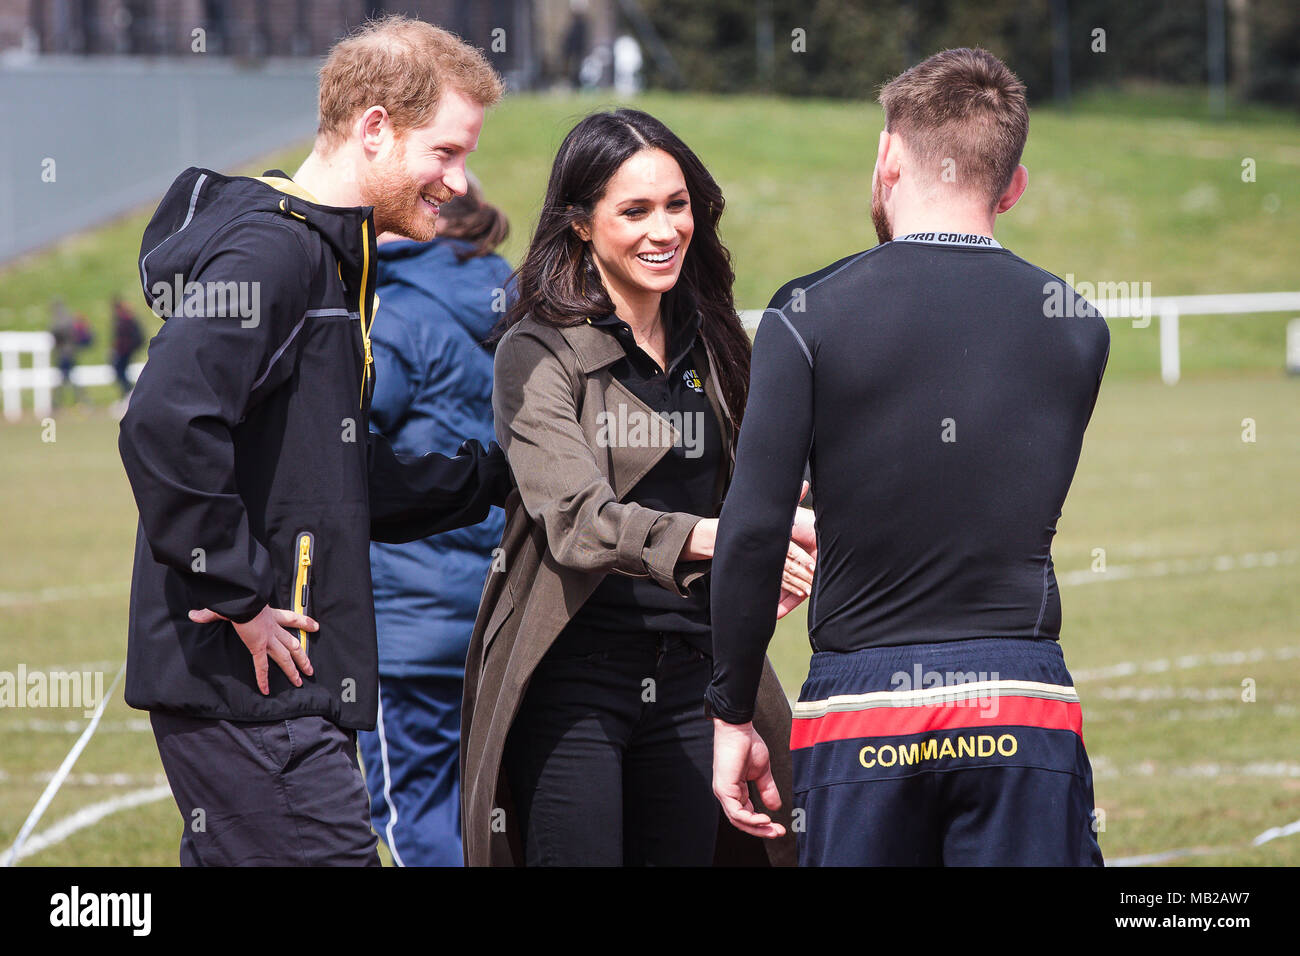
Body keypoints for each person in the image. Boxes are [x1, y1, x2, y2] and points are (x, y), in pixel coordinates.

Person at [117, 15, 511, 867]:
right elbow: (163, 419)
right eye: (445, 152)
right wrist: (241, 595)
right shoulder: (276, 254)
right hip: (254, 686)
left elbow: (339, 478)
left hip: (280, 683)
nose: (459, 180)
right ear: (375, 127)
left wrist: (503, 480)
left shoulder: (331, 265)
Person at [706, 48, 1110, 866]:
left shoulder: (806, 313)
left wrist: (731, 710)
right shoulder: (1078, 324)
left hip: (864, 708)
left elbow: (752, 531)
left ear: (888, 156)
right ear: (1014, 183)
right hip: (1022, 703)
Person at [460, 108, 815, 867]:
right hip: (572, 682)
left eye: (677, 205)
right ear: (582, 225)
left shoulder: (715, 336)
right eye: (636, 210)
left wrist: (794, 526)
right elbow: (578, 521)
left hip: (696, 673)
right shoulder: (534, 352)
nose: (665, 230)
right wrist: (725, 536)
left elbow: (766, 477)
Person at [357, 174, 512, 866]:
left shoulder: (391, 312)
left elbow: (344, 445)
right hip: (501, 611)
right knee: (490, 816)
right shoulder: (518, 301)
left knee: (415, 811)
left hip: (407, 621)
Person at [109, 296, 144, 398]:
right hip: (124, 349)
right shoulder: (126, 318)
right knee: (121, 371)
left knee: (120, 371)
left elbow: (124, 336)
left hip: (125, 350)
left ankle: (129, 393)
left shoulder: (125, 319)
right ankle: (127, 393)